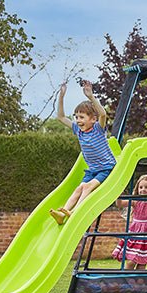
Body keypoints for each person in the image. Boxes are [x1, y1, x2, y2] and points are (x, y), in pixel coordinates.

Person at [49, 80, 116, 225]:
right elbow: (61, 117)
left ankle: (75, 212)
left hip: (106, 168)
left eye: (82, 117)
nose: (78, 120)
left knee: (87, 186)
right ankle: (62, 213)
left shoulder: (98, 129)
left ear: (93, 119)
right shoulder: (78, 131)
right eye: (76, 117)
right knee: (79, 188)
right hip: (92, 170)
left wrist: (91, 96)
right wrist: (61, 96)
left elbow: (103, 114)